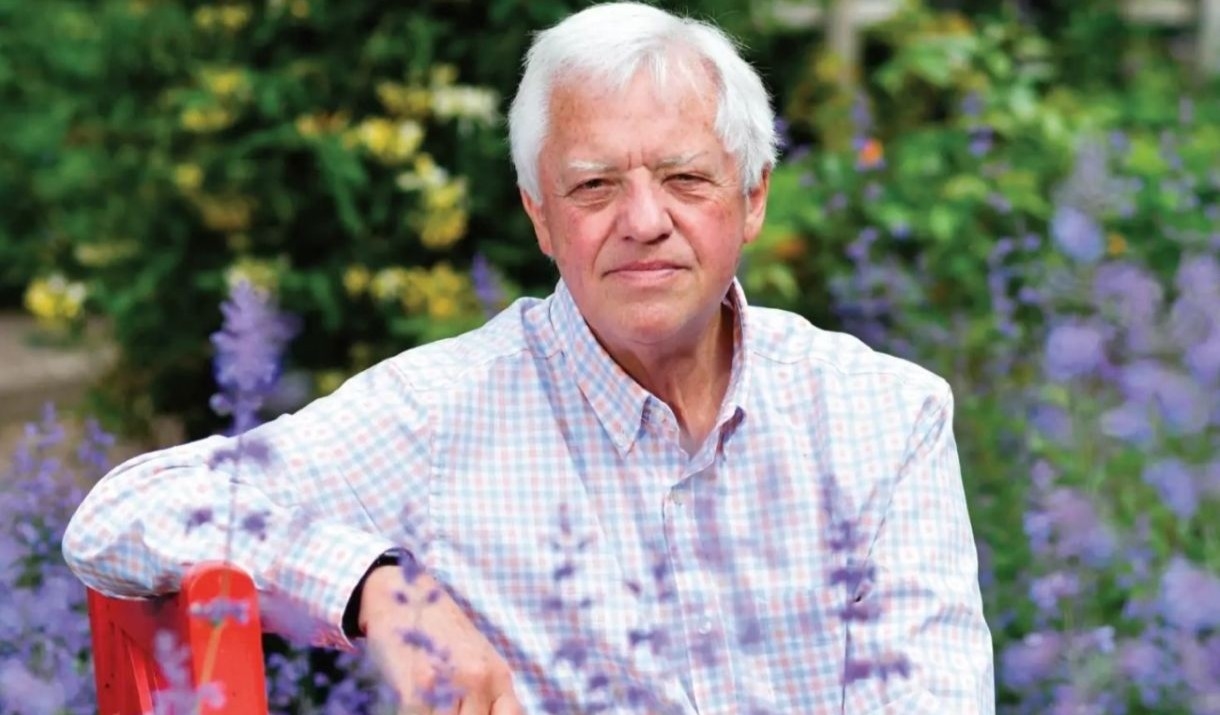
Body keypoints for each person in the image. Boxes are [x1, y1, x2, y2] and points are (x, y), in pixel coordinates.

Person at [64, 2, 994, 713]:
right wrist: (377, 585)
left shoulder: (885, 414)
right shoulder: (437, 414)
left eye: (685, 178)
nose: (644, 220)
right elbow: (122, 513)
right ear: (540, 216)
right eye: (594, 186)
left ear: (752, 198)